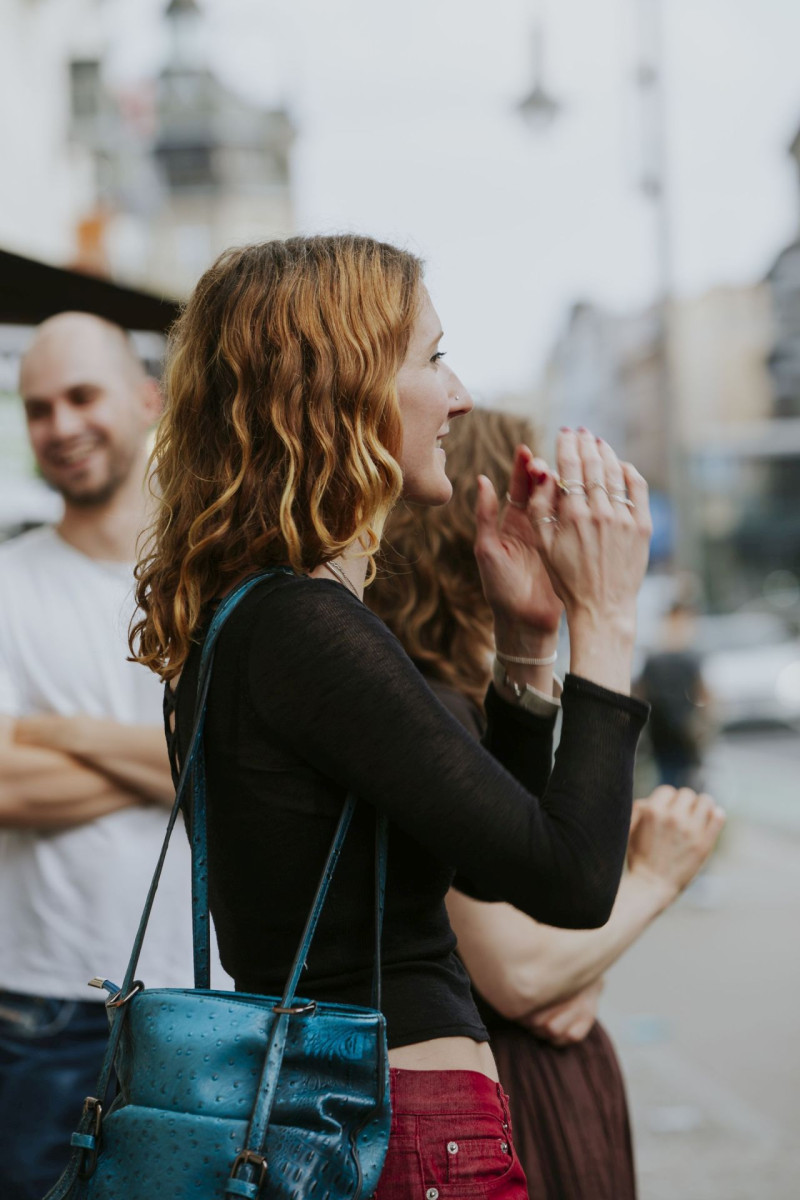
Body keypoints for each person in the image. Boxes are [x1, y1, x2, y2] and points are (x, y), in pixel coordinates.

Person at [131, 234, 652, 1199]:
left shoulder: (255, 616)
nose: (460, 396)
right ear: (340, 391)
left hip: (367, 1123)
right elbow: (572, 880)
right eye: (432, 358)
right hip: (404, 1135)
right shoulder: (304, 626)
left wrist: (528, 640)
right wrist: (609, 617)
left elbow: (489, 859)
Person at [370, 408, 725, 1200]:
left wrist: (581, 970)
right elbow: (522, 973)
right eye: (546, 506)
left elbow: (540, 928)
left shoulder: (468, 695)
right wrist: (655, 879)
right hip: (503, 1101)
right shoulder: (430, 707)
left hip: (517, 1090)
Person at [0, 312, 200, 1200]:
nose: (61, 425)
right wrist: (176, 764)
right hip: (41, 1006)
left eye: (83, 396)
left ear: (148, 400)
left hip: (201, 999)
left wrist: (65, 732)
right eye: (38, 408)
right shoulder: (9, 584)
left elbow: (238, 772)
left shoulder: (209, 580)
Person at [639, 602, 712, 789]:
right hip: (677, 732)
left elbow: (641, 693)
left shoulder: (655, 659)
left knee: (668, 780)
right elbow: (704, 695)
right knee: (686, 781)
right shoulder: (688, 659)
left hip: (666, 732)